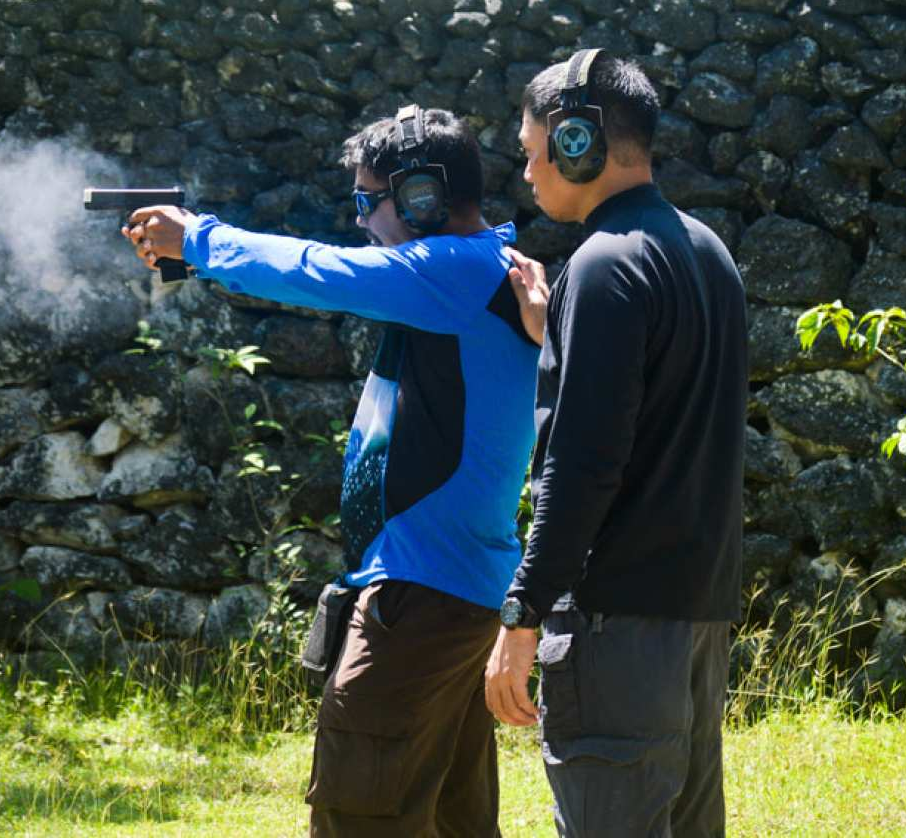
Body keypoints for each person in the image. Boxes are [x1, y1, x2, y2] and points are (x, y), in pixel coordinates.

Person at [122, 106, 546, 837]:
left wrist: (198, 239)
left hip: (422, 595)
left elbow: (317, 271)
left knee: (357, 814)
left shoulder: (458, 268)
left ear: (420, 196)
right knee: (450, 820)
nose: (360, 221)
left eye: (367, 201)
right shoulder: (473, 269)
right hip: (441, 591)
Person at [482, 50, 748, 837]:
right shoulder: (705, 250)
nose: (527, 173)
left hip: (614, 623)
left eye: (533, 151)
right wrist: (557, 329)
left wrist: (522, 613)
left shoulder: (602, 266)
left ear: (578, 142)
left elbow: (582, 465)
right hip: (694, 614)